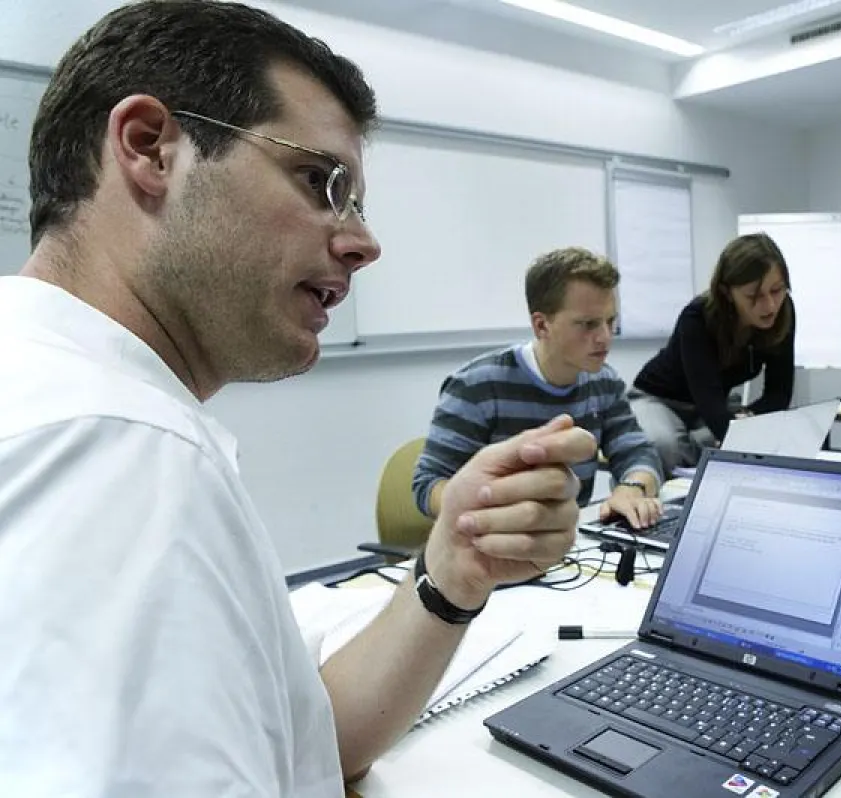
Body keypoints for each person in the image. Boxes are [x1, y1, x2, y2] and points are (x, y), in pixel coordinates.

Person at [0, 1, 592, 793]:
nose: (362, 241)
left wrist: (452, 568)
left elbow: (307, 742)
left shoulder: (50, 380)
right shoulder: (121, 450)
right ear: (151, 150)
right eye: (319, 181)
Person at [413, 247, 664, 529]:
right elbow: (428, 485)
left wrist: (632, 488)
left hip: (568, 545)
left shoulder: (604, 383)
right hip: (493, 546)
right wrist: (489, 505)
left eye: (610, 321)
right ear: (542, 325)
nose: (605, 337)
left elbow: (639, 454)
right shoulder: (477, 386)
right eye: (588, 324)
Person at [630, 233, 795, 474]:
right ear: (727, 292)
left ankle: (696, 454)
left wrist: (749, 417)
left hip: (711, 405)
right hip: (658, 398)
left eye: (777, 290)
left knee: (773, 434)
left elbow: (779, 394)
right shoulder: (697, 317)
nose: (769, 305)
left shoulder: (784, 313)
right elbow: (709, 400)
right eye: (753, 296)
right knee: (666, 447)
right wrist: (738, 430)